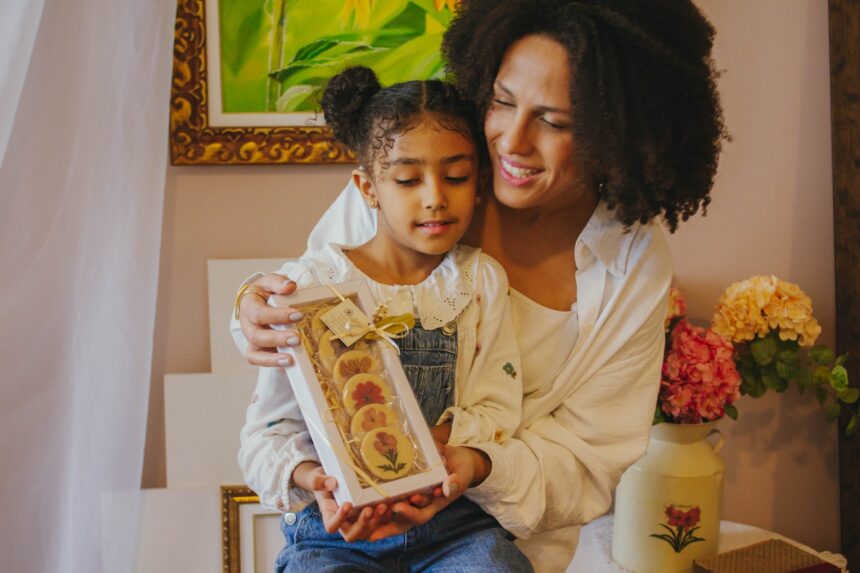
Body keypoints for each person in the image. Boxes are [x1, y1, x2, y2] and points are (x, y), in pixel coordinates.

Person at [232, 1, 725, 570]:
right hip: (344, 528)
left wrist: (475, 464)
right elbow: (311, 293)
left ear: (619, 129)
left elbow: (587, 462)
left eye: (556, 121)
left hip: (484, 538)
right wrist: (253, 305)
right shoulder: (415, 180)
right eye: (503, 102)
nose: (511, 141)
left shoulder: (631, 264)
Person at [239, 66, 533, 572]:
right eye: (407, 178)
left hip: (452, 524)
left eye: (456, 176)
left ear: (480, 183)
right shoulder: (311, 285)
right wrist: (316, 479)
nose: (435, 195)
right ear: (368, 187)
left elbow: (499, 410)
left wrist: (440, 445)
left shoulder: (480, 283)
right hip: (335, 533)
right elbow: (264, 435)